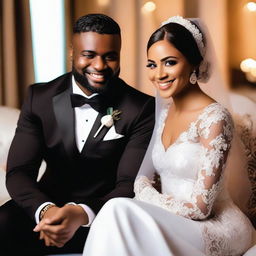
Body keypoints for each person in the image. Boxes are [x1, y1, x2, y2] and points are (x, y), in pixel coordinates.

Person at [83, 16, 255, 256]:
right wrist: (144, 190)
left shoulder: (215, 118)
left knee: (117, 209)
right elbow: (142, 178)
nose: (159, 74)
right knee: (115, 214)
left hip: (214, 226)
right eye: (152, 65)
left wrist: (147, 193)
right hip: (172, 220)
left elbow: (200, 208)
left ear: (194, 63)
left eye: (170, 62)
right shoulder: (164, 113)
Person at [0, 13, 155, 255]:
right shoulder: (39, 98)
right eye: (89, 55)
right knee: (4, 222)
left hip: (103, 215)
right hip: (45, 212)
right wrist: (46, 210)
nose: (100, 66)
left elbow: (128, 185)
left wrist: (80, 214)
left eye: (110, 57)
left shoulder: (142, 108)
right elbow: (19, 171)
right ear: (72, 52)